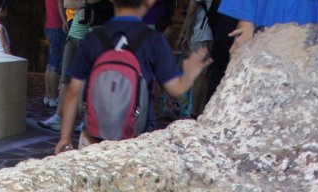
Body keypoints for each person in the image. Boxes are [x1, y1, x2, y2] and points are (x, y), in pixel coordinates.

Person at [54, 0, 211, 152]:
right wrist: (190, 73)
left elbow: (73, 92)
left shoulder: (94, 37)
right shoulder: (154, 40)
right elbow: (176, 89)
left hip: (93, 139)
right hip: (135, 141)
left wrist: (65, 138)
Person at [38, 0, 94, 132]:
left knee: (87, 80)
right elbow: (67, 4)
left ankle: (85, 120)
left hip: (89, 33)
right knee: (65, 77)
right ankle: (58, 117)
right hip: (74, 32)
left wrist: (82, 3)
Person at [44, 0, 69, 107]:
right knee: (55, 64)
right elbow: (60, 5)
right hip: (57, 25)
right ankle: (53, 97)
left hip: (49, 25)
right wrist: (64, 21)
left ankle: (48, 96)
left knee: (50, 63)